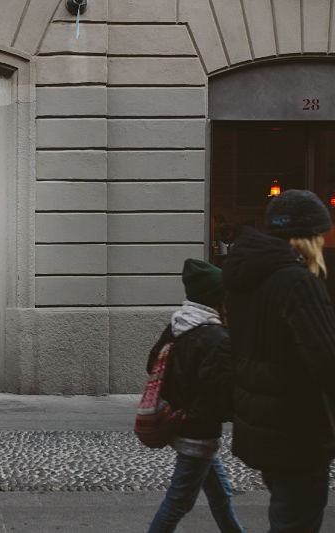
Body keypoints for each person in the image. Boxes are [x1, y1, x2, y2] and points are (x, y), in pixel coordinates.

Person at [223, 189, 335, 533]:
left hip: (267, 432)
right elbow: (326, 362)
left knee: (286, 516)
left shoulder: (246, 281)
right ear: (308, 238)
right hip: (298, 434)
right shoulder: (298, 283)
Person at [146, 259, 244, 533]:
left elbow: (153, 364)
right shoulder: (215, 336)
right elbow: (222, 393)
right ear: (217, 298)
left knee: (220, 493)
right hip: (198, 432)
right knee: (178, 502)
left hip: (184, 423)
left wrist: (179, 399)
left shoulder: (179, 324)